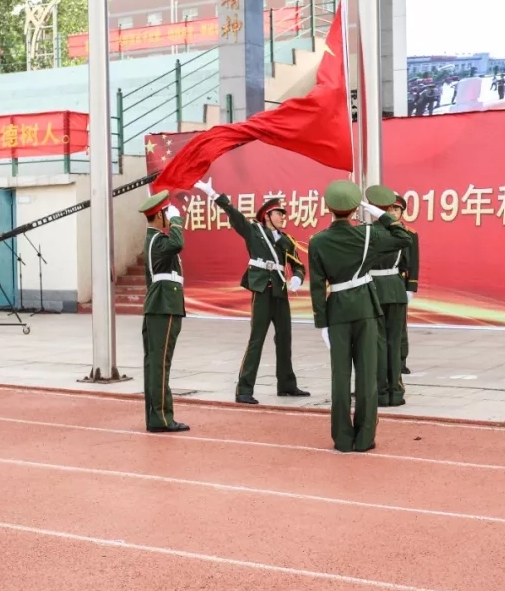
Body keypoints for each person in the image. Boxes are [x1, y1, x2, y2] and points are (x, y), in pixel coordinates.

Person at [308, 179, 411, 453]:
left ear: (328, 207)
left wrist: (321, 322)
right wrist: (380, 214)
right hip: (366, 309)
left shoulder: (317, 241)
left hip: (337, 311)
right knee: (367, 374)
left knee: (340, 376)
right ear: (355, 209)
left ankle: (342, 439)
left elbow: (317, 285)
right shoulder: (367, 235)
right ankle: (364, 438)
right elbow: (405, 238)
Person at [194, 179, 309, 404]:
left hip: (280, 290)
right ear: (267, 215)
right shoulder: (254, 230)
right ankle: (244, 389)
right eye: (279, 213)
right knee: (256, 339)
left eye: (283, 214)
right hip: (262, 288)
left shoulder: (286, 240)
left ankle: (287, 384)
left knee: (285, 338)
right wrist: (214, 194)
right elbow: (235, 215)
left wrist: (297, 277)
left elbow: (298, 264)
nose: (283, 217)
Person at [138, 189, 190, 434]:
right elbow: (178, 242)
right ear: (160, 214)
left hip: (160, 304)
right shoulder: (158, 241)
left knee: (155, 363)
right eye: (167, 213)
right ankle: (161, 418)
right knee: (160, 364)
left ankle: (155, 416)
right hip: (163, 305)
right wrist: (177, 221)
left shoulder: (154, 240)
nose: (170, 218)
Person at [365, 185, 409, 408]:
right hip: (395, 287)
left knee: (378, 343)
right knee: (394, 342)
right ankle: (396, 391)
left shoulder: (367, 232)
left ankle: (381, 392)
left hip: (373, 288)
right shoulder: (398, 231)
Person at [396, 193, 419, 375]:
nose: (393, 212)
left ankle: (401, 360)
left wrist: (411, 286)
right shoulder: (377, 231)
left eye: (396, 209)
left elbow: (414, 262)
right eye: (389, 209)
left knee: (399, 325)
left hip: (400, 282)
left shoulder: (410, 234)